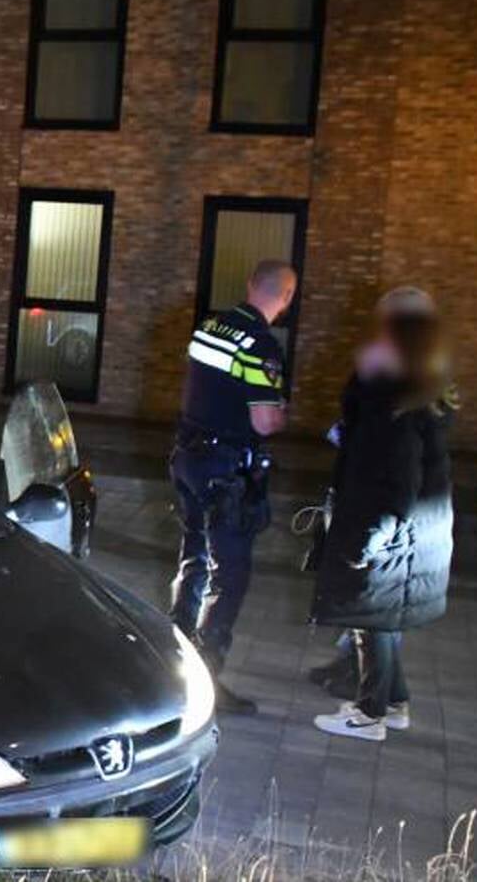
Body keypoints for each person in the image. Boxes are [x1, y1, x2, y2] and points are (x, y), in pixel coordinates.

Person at [310, 288, 455, 741]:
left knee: (369, 620)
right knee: (382, 622)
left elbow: (398, 482)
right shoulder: (419, 387)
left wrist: (367, 542)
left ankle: (369, 714)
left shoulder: (393, 399)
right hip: (411, 535)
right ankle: (394, 703)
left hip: (391, 533)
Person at [167, 259, 298, 715]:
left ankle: (173, 659)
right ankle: (205, 680)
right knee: (231, 573)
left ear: (249, 284)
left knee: (194, 556)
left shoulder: (211, 327)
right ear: (285, 297)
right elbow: (264, 419)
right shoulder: (262, 346)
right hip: (225, 469)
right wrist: (282, 412)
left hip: (187, 457)